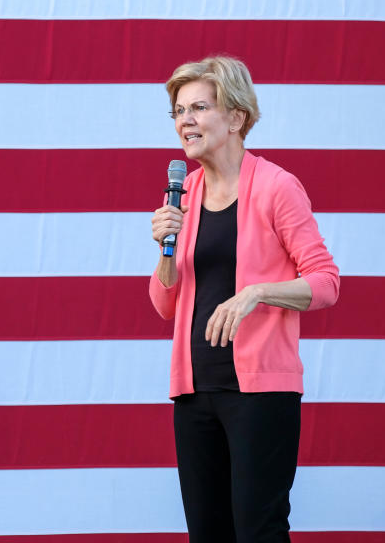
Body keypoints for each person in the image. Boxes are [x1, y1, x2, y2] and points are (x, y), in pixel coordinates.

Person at [148, 56, 340, 542]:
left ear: (236, 117)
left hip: (259, 395)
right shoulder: (183, 192)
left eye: (198, 107)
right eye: (177, 110)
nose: (184, 121)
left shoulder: (277, 187)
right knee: (207, 534)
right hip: (195, 391)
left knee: (258, 531)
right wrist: (164, 254)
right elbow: (167, 306)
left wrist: (256, 293)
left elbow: (325, 281)